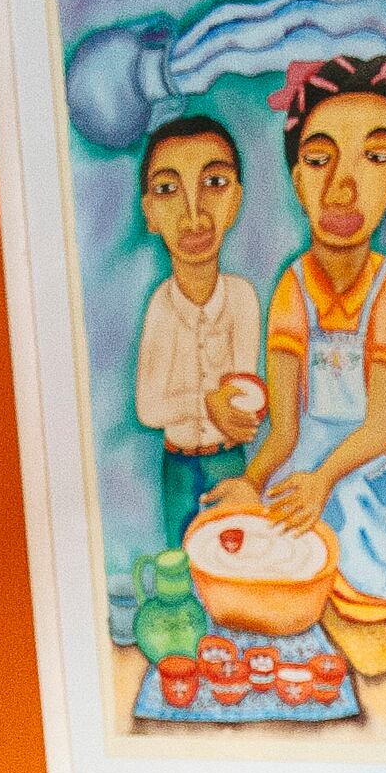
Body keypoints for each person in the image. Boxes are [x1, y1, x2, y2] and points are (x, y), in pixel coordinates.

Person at [203, 52, 386, 625]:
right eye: (318, 160)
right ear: (295, 178)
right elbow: (284, 427)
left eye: (375, 157)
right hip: (297, 472)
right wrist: (252, 481)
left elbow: (380, 426)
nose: (341, 188)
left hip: (356, 469)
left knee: (367, 572)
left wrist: (323, 483)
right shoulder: (291, 288)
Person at [130, 111, 264, 546]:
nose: (193, 215)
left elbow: (243, 392)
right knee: (183, 565)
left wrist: (244, 412)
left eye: (214, 183)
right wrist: (208, 404)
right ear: (150, 212)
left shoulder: (243, 298)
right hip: (178, 467)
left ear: (236, 200)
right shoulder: (161, 309)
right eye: (168, 190)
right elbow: (148, 408)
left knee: (239, 564)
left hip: (230, 461)